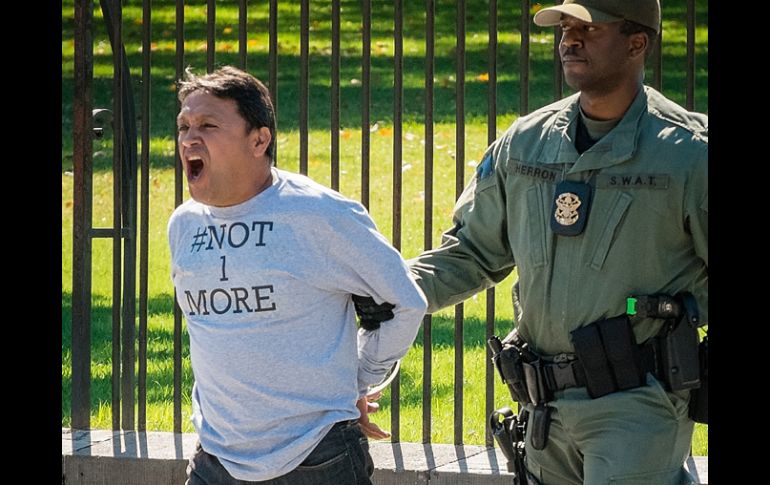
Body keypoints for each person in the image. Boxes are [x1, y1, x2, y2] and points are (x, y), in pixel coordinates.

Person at [358, 0, 707, 483]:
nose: (570, 40)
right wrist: (388, 288)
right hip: (543, 408)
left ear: (637, 42)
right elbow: (473, 252)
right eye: (565, 28)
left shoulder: (689, 155)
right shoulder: (526, 143)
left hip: (637, 406)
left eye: (589, 28)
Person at [168, 65, 427, 485]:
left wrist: (358, 381)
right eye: (183, 126)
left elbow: (405, 301)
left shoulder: (320, 215)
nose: (189, 139)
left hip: (316, 458)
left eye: (208, 125)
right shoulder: (183, 225)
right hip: (215, 458)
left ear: (259, 139)